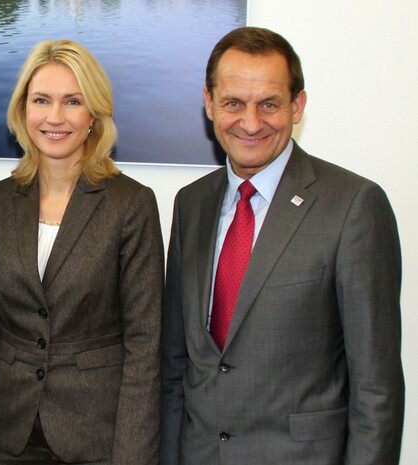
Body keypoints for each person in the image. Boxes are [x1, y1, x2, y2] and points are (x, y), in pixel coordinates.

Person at [160, 26, 404, 465]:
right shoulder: (191, 204)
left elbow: (377, 388)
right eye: (234, 102)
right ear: (209, 103)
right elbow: (177, 366)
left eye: (268, 104)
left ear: (297, 106)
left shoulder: (354, 206)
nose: (250, 122)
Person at [0, 40, 164, 465]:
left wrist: (132, 456)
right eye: (41, 100)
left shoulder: (130, 204)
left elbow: (145, 345)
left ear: (94, 115)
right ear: (22, 111)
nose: (54, 117)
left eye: (72, 101)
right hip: (7, 435)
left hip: (96, 439)